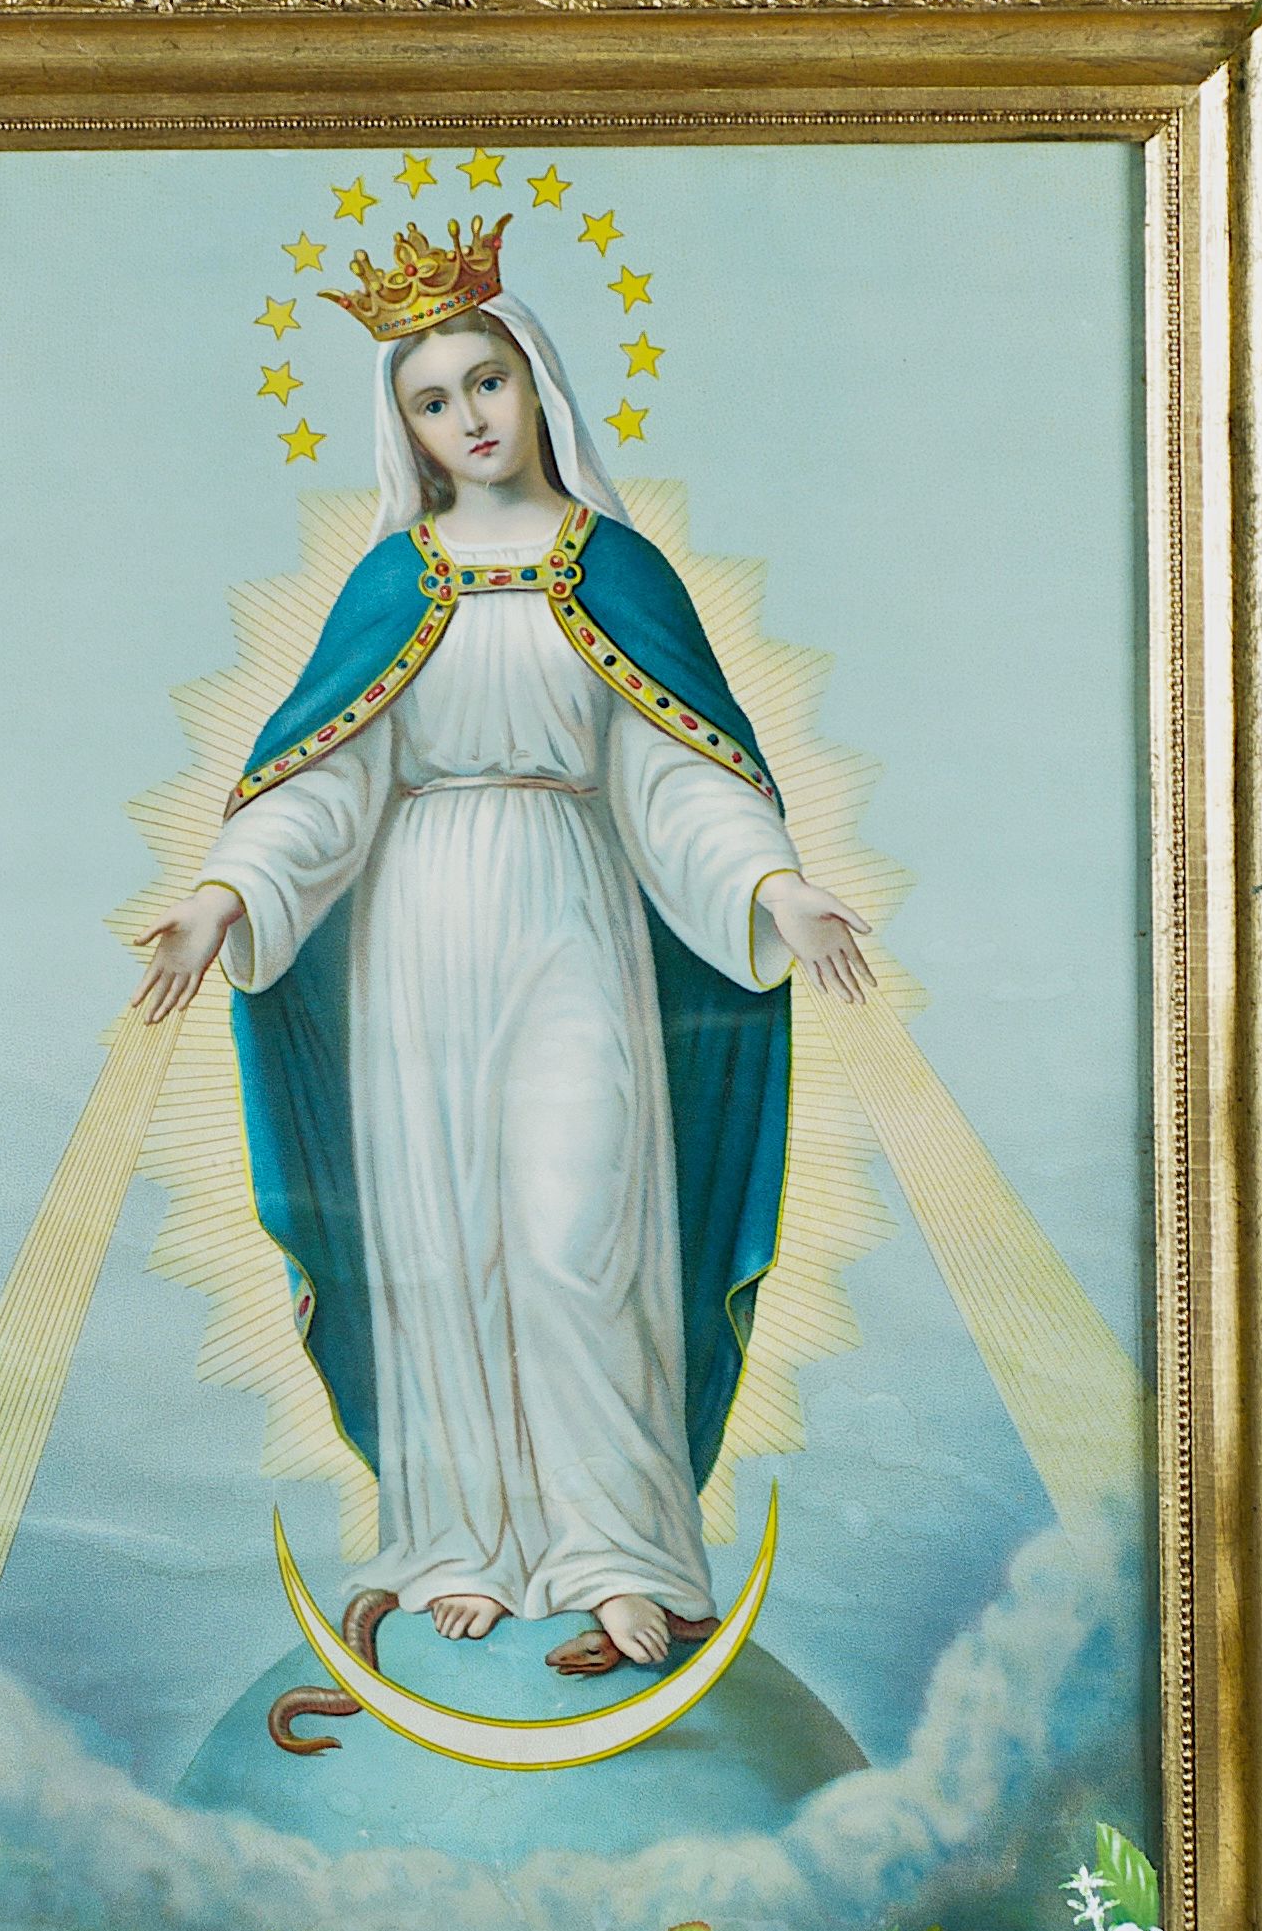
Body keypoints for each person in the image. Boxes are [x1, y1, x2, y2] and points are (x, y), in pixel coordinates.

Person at [134, 216, 870, 1680]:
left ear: (536, 382)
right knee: (443, 1244)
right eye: (433, 400)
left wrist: (772, 885)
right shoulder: (391, 585)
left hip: (572, 917)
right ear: (405, 429)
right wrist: (225, 895)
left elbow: (674, 774)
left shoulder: (616, 571)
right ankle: (457, 1542)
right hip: (415, 941)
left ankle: (622, 1554)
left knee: (578, 1233)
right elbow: (327, 785)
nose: (468, 418)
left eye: (487, 382)